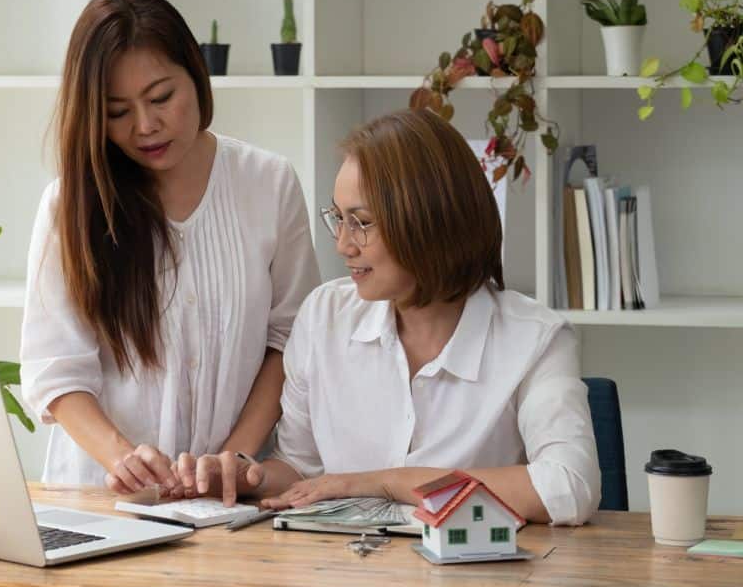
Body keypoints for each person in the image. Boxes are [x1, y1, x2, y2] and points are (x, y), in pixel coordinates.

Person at [196, 108, 600, 525]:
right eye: (338, 218)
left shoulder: (535, 338)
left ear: (430, 220)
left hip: (476, 581)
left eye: (362, 222)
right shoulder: (323, 317)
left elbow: (568, 488)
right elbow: (302, 469)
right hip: (344, 576)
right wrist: (248, 478)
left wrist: (384, 482)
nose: (343, 244)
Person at [19, 0, 320, 494]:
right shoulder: (68, 205)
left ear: (196, 75)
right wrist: (123, 458)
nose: (146, 126)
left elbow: (290, 342)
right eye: (117, 111)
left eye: (161, 98)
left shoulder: (269, 183)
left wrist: (234, 458)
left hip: (232, 498)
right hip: (101, 498)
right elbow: (55, 371)